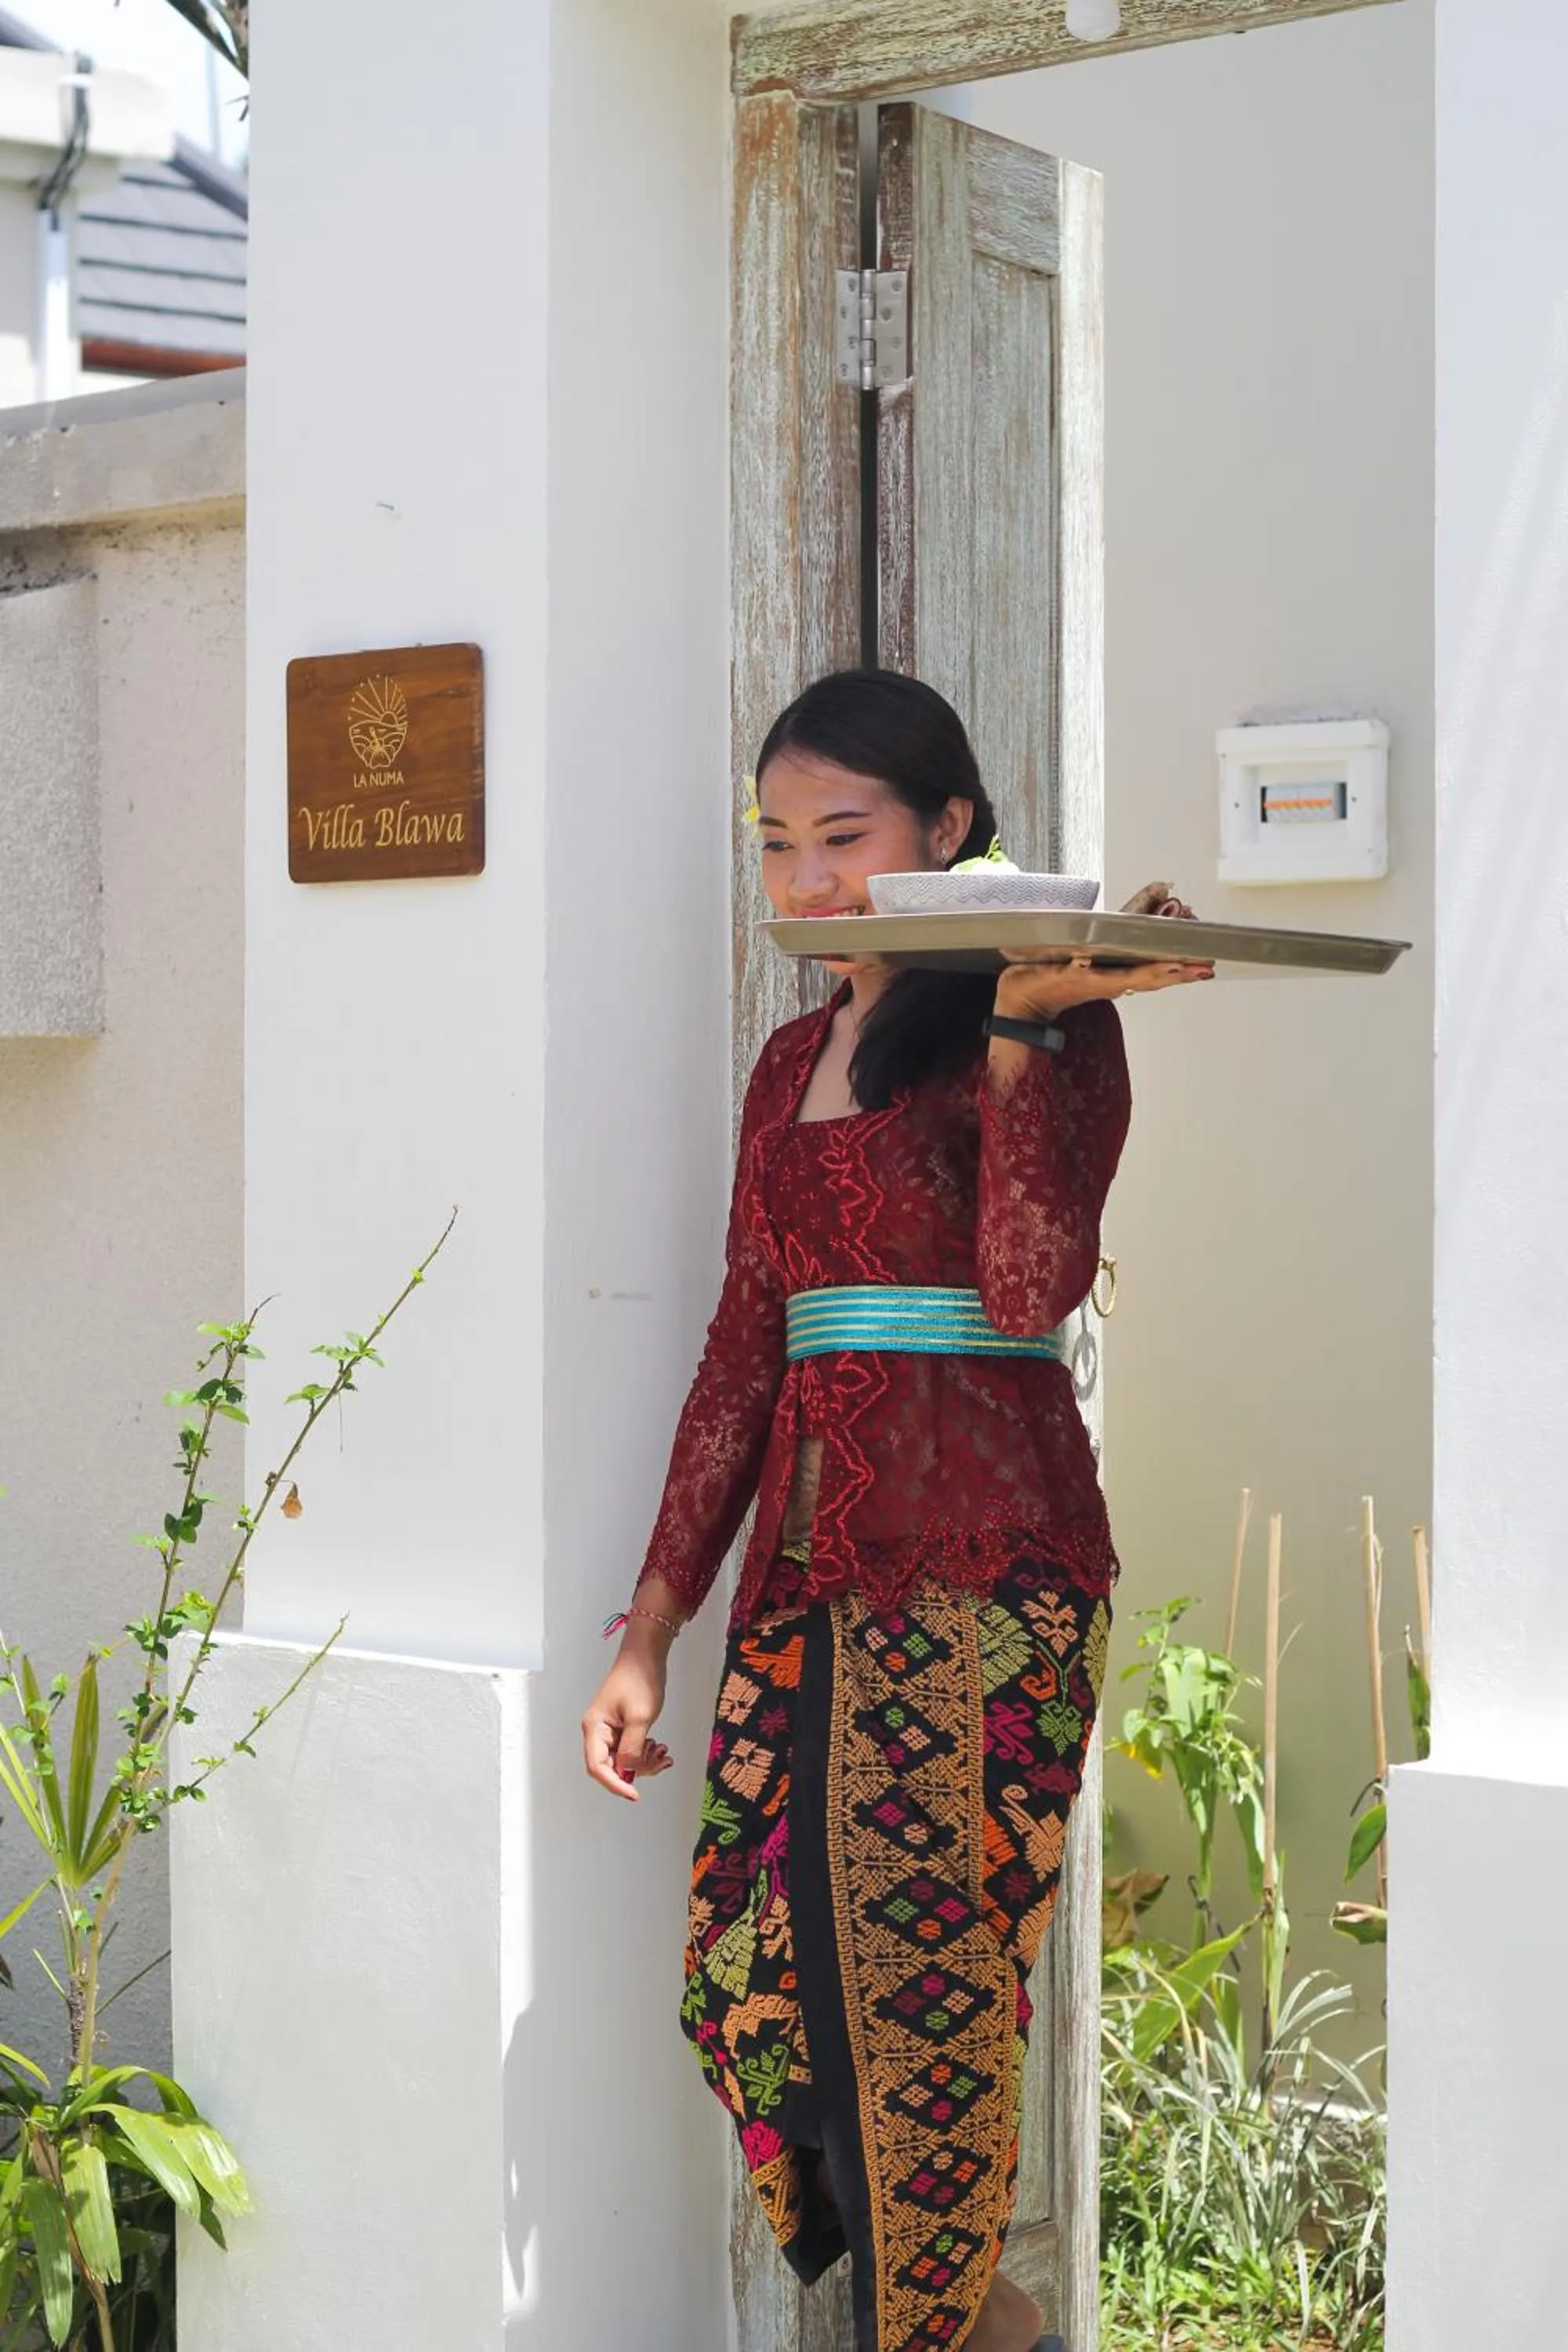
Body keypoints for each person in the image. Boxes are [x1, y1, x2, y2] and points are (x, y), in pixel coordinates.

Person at [582, 670, 1210, 2352]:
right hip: (807, 1582)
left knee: (925, 2039)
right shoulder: (793, 1051)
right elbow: (741, 1342)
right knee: (754, 1986)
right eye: (776, 842)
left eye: (842, 837)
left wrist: (1016, 1023)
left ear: (947, 830)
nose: (803, 880)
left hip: (986, 1578)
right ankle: (993, 2334)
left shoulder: (1060, 1022)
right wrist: (649, 1623)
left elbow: (1023, 1290)